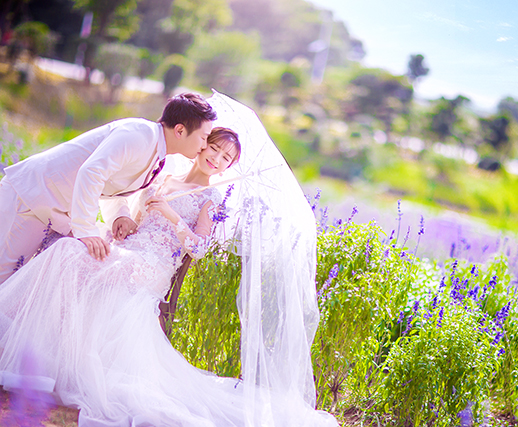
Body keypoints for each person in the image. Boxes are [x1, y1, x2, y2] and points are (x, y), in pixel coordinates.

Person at [0, 125, 338, 427]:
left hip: (153, 265)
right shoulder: (164, 179)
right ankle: (45, 354)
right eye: (214, 149)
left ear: (230, 166)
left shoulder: (212, 198)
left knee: (69, 253)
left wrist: (170, 213)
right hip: (130, 249)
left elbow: (199, 248)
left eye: (226, 158)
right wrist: (126, 224)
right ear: (202, 146)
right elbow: (136, 220)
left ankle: (36, 354)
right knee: (69, 252)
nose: (217, 159)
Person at [0, 92, 216, 285]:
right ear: (180, 130)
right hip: (31, 195)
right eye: (204, 137)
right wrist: (86, 231)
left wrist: (120, 215)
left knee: (18, 281)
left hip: (51, 210)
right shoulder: (139, 135)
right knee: (6, 276)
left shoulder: (157, 153)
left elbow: (110, 183)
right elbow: (92, 172)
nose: (204, 146)